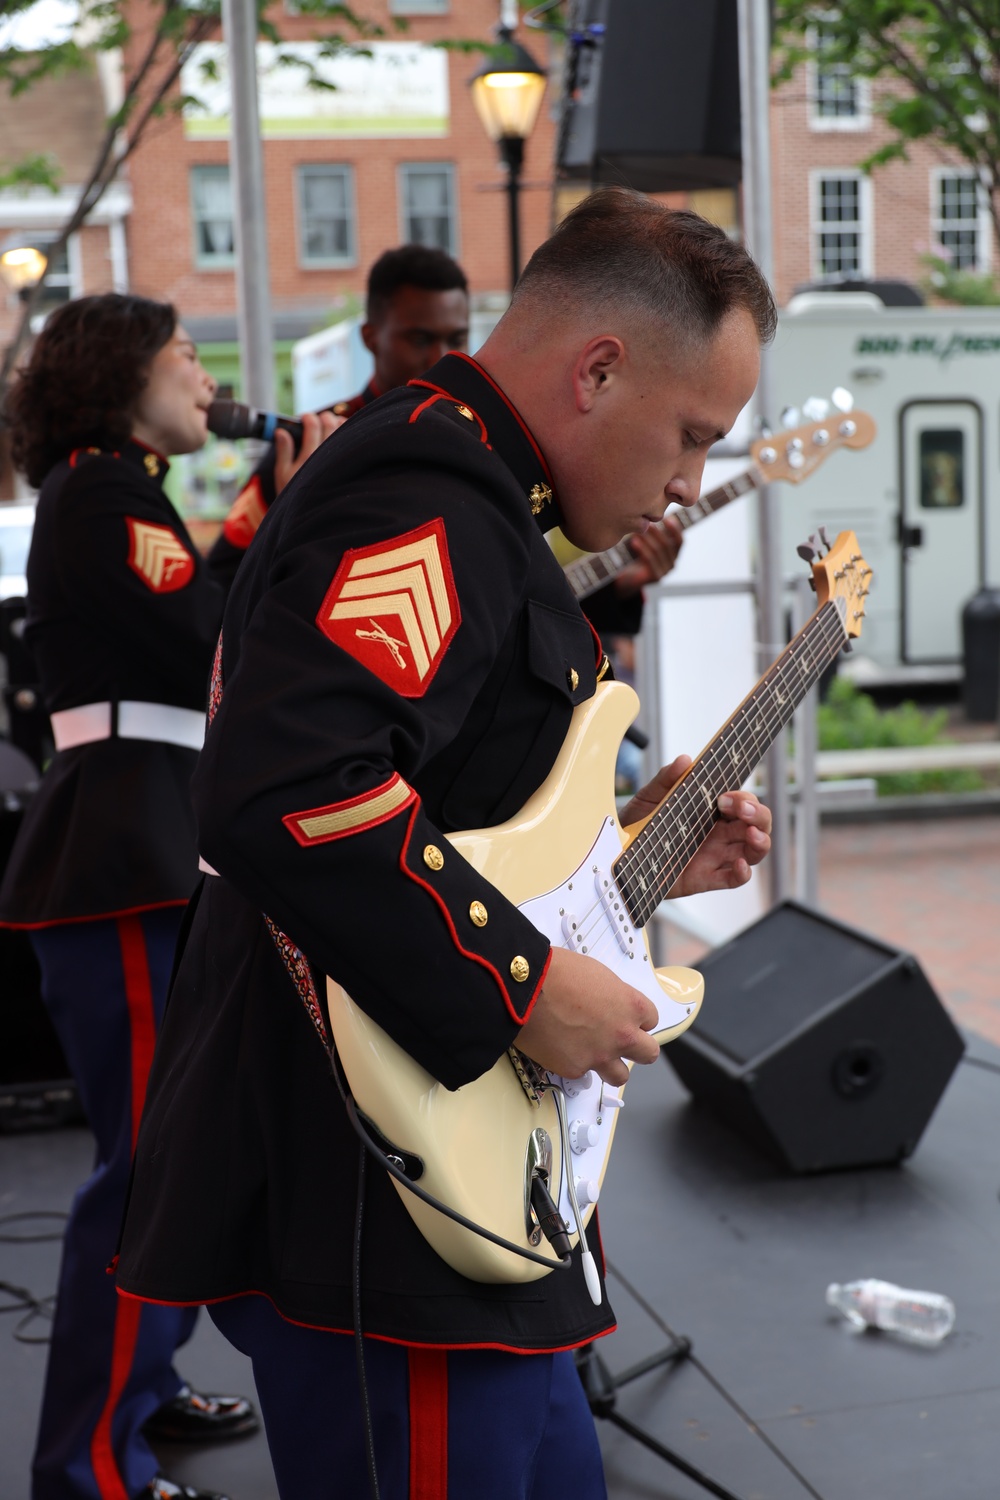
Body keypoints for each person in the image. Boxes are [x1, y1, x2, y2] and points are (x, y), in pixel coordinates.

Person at [114, 190, 777, 1499]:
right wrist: (523, 985)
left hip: (448, 1206)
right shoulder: (424, 497)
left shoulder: (481, 499)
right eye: (694, 433)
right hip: (377, 1201)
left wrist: (636, 849)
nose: (692, 480)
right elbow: (289, 789)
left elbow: (448, 813)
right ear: (599, 369)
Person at [0, 293, 334, 1500]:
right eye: (186, 355)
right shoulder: (103, 493)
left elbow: (200, 623)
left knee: (174, 1147)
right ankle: (87, 1467)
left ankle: (143, 1395)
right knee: (144, 1167)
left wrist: (260, 511)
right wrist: (278, 503)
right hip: (121, 853)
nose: (206, 378)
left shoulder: (114, 490)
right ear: (117, 371)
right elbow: (210, 640)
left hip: (145, 842)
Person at [211, 242, 470, 570]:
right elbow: (225, 580)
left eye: (457, 340)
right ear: (370, 338)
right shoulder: (310, 443)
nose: (441, 359)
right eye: (420, 340)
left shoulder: (483, 440)